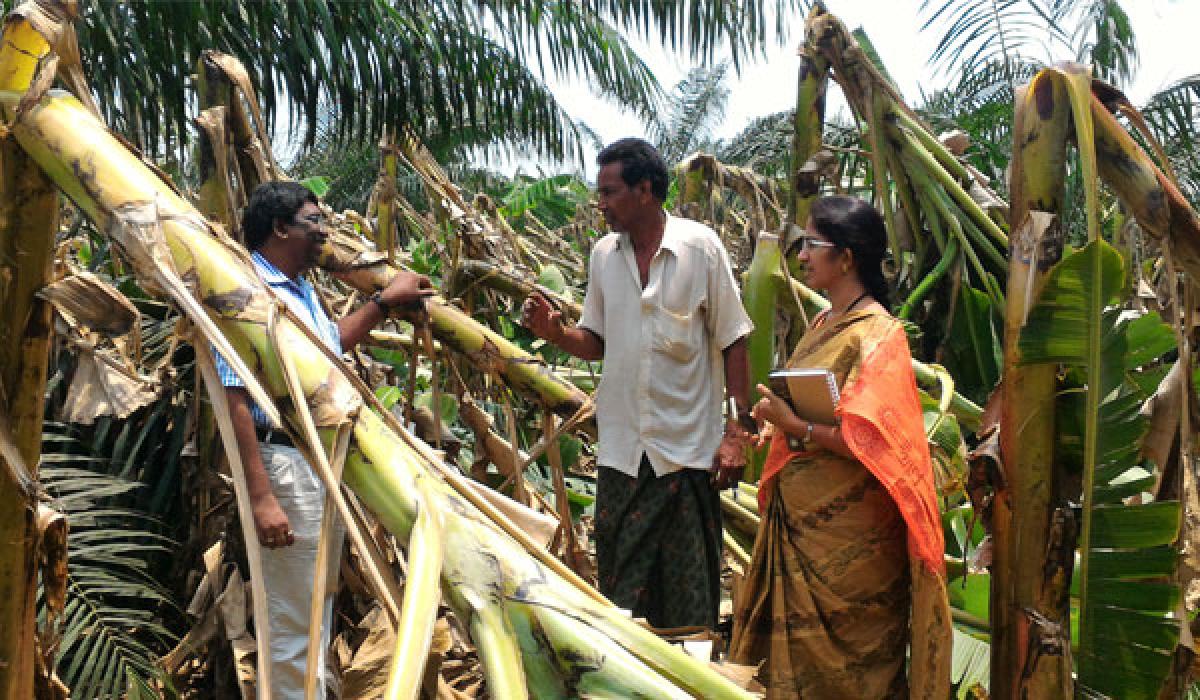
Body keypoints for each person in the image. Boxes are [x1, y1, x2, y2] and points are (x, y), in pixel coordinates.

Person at [523, 138, 754, 630]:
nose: (600, 205)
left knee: (689, 601)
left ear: (645, 190)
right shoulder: (604, 255)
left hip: (685, 455)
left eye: (609, 193)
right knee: (620, 602)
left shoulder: (700, 249)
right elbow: (596, 340)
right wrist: (555, 333)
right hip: (623, 455)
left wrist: (736, 435)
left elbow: (735, 340)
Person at [214, 181, 433, 698]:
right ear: (281, 227)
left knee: (316, 606)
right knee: (294, 618)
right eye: (314, 221)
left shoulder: (300, 289)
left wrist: (381, 303)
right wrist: (263, 496)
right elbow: (233, 392)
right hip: (283, 466)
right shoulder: (250, 290)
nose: (325, 232)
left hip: (314, 463)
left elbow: (328, 349)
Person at [728, 195, 951, 698]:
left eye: (812, 245)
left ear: (846, 258)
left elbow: (876, 443)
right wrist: (775, 423)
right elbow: (811, 407)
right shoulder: (821, 325)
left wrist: (798, 428)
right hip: (800, 524)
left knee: (854, 673)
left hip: (856, 545)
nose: (801, 256)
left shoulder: (879, 336)